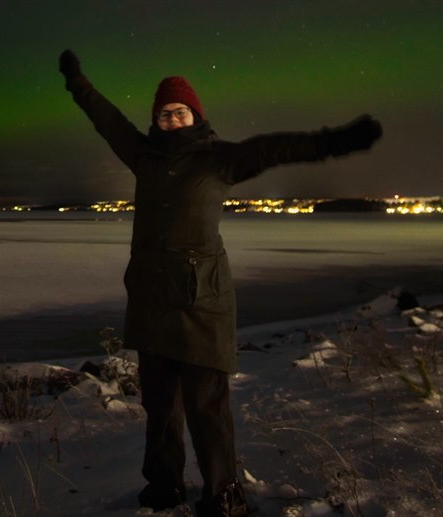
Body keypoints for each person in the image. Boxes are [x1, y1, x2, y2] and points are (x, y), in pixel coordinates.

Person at [58, 49, 382, 516]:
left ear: (195, 115)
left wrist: (339, 141)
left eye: (180, 112)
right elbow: (106, 119)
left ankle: (222, 496)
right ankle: (164, 490)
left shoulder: (218, 159)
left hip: (201, 304)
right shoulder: (143, 155)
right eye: (165, 114)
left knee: (206, 408)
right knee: (160, 409)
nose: (172, 119)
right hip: (151, 301)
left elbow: (276, 148)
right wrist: (78, 82)